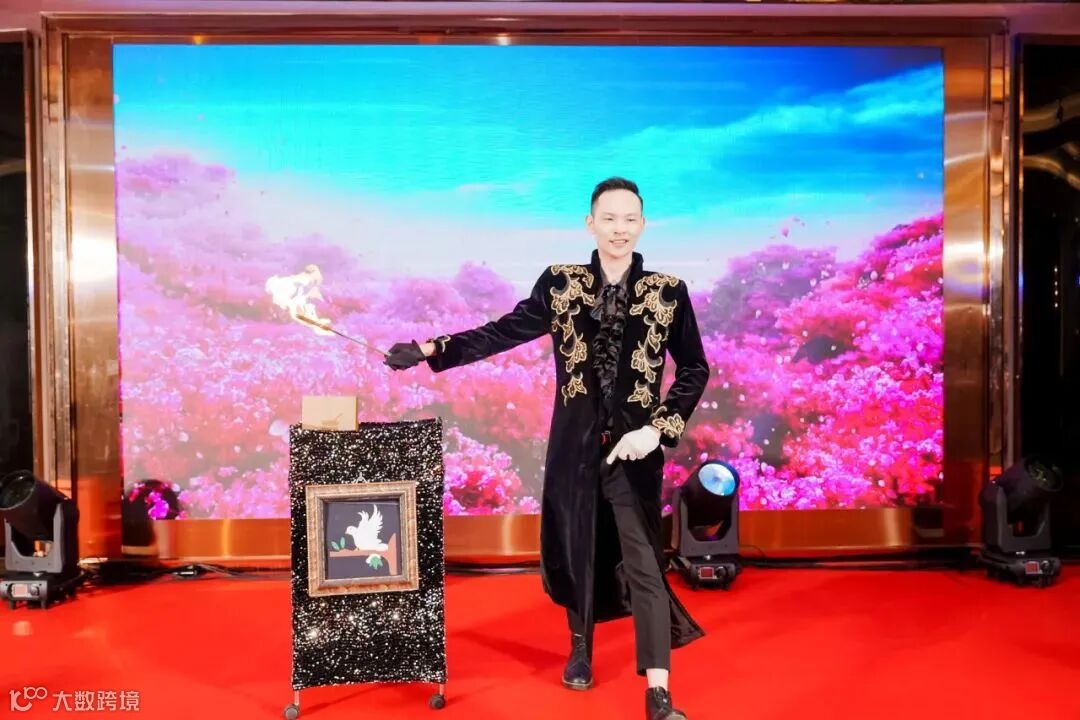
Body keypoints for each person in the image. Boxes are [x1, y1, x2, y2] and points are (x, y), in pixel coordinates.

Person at [385, 177, 709, 720]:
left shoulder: (668, 293)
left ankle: (658, 691)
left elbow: (695, 367)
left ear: (643, 224)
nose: (620, 229)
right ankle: (580, 645)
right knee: (577, 545)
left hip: (636, 452)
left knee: (645, 563)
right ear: (590, 223)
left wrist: (656, 428)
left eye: (630, 219)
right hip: (574, 448)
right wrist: (430, 348)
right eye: (609, 218)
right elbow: (503, 331)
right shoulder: (560, 284)